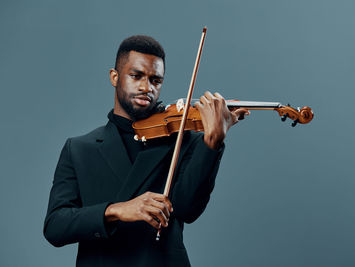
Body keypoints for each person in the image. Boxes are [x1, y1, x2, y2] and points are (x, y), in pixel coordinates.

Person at [43, 35, 249, 267]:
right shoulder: (80, 148)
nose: (146, 87)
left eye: (156, 80)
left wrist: (213, 140)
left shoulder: (182, 138)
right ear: (115, 77)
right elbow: (55, 226)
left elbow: (188, 209)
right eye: (136, 76)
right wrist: (116, 210)